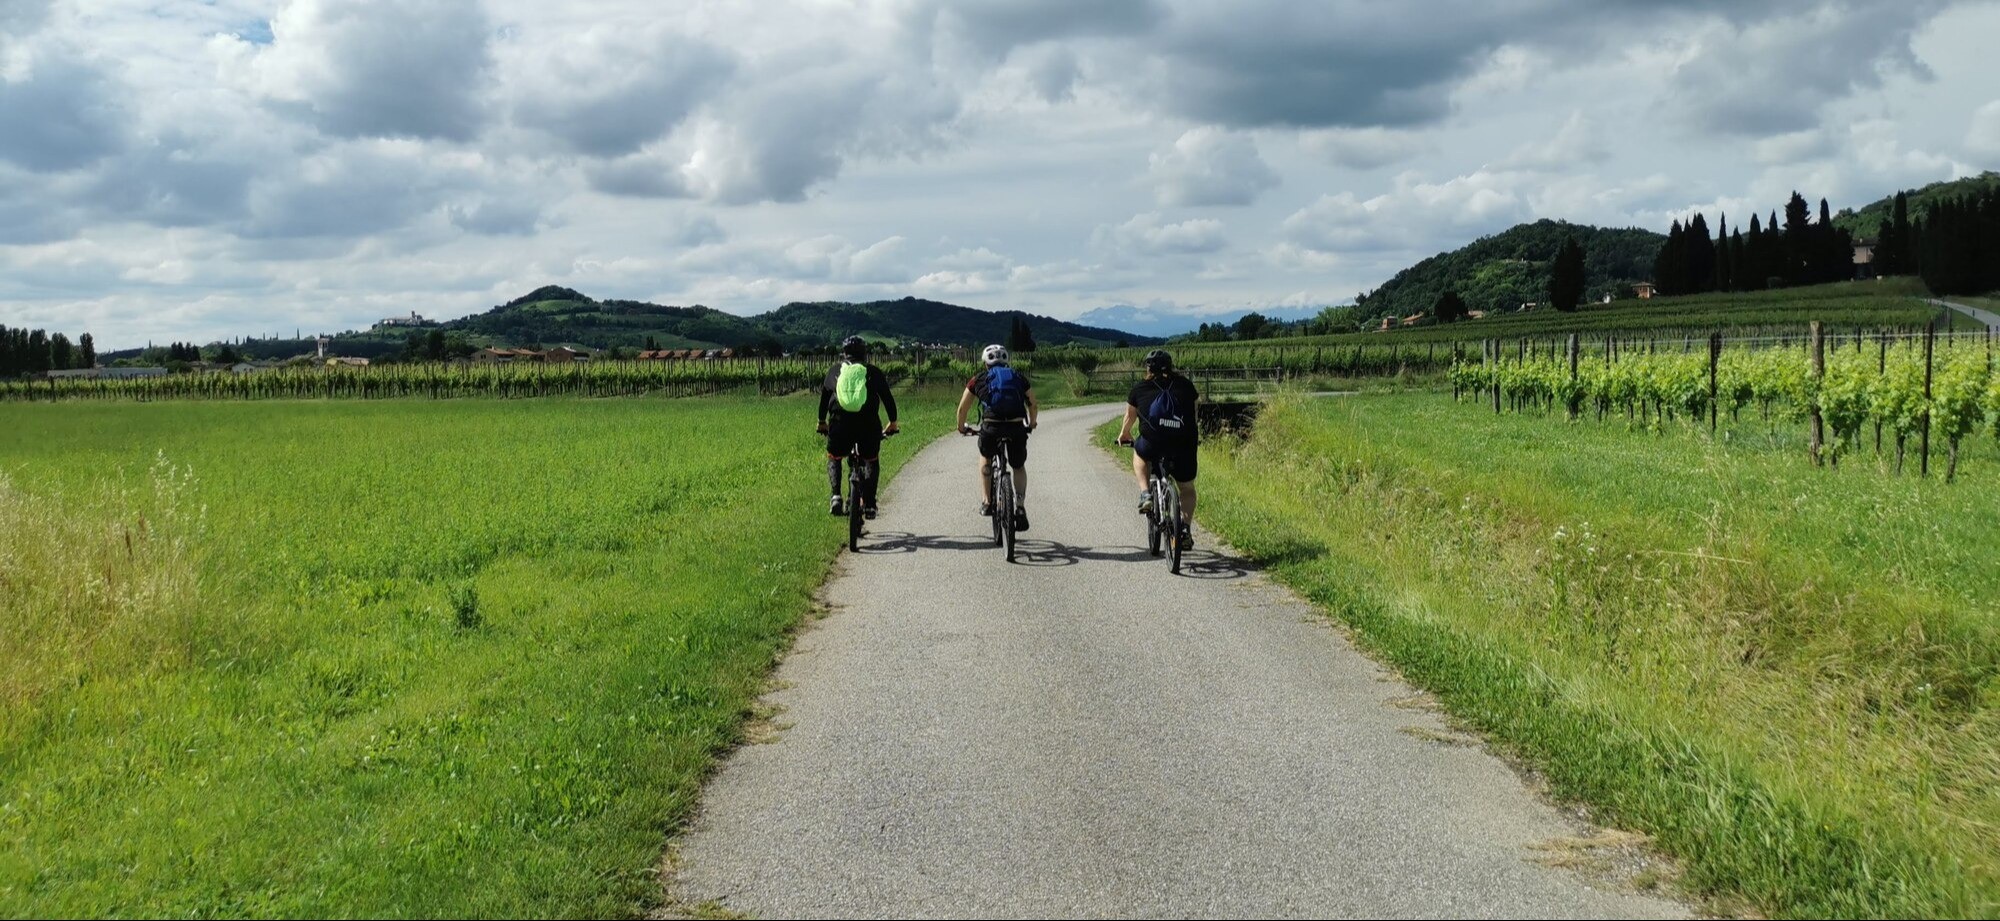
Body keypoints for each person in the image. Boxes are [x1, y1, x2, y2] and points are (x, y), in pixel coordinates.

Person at [1115, 348, 1199, 546]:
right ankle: (1185, 529)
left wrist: (1124, 435)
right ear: (1171, 366)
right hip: (1183, 444)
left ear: (1148, 368)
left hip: (1153, 442)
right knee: (1187, 488)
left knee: (1139, 452)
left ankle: (1145, 493)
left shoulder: (1139, 388)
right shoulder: (1186, 386)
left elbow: (1130, 417)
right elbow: (1194, 415)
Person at [955, 343, 1038, 531]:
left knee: (985, 456)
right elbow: (1033, 404)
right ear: (1006, 361)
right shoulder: (1018, 377)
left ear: (986, 363)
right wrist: (1032, 422)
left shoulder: (978, 379)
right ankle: (1020, 507)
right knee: (1018, 465)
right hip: (1016, 427)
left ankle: (986, 502)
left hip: (991, 427)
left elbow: (962, 409)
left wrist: (961, 427)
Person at [818, 336, 899, 518]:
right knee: (871, 459)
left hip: (839, 424)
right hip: (868, 426)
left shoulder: (834, 371)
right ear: (865, 354)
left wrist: (822, 422)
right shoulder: (873, 372)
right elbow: (887, 399)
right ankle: (869, 504)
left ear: (844, 354)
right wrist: (892, 422)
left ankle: (836, 496)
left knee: (835, 456)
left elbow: (824, 400)